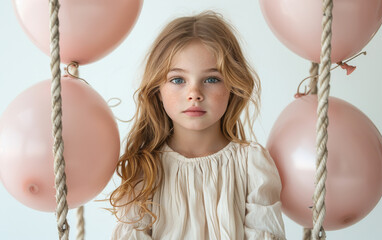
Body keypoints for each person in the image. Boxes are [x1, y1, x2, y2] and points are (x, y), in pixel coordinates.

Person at [110, 11, 286, 240]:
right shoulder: (145, 167)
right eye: (178, 80)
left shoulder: (252, 165)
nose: (194, 94)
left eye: (211, 79)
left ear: (232, 85)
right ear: (157, 90)